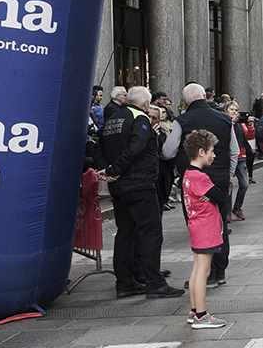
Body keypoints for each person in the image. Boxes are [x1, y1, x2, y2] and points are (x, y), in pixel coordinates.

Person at [93, 86, 183, 299]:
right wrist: (114, 169)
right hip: (139, 184)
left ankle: (125, 283)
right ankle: (155, 283)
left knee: (125, 234)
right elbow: (136, 147)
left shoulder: (112, 119)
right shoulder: (139, 118)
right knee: (151, 233)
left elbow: (97, 148)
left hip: (120, 187)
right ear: (144, 104)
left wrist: (107, 170)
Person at [162, 83, 239, 288]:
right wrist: (227, 176)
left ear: (185, 101)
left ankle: (208, 274)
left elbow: (168, 151)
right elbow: (234, 151)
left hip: (194, 181)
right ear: (205, 96)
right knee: (220, 222)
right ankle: (220, 270)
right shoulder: (224, 119)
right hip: (219, 180)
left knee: (200, 225)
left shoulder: (181, 121)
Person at [181, 129, 227, 328]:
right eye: (211, 151)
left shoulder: (188, 174)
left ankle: (194, 310)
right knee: (204, 272)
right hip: (206, 227)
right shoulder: (201, 177)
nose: (213, 155)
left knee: (196, 269)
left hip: (195, 226)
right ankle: (201, 315)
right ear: (201, 152)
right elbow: (220, 196)